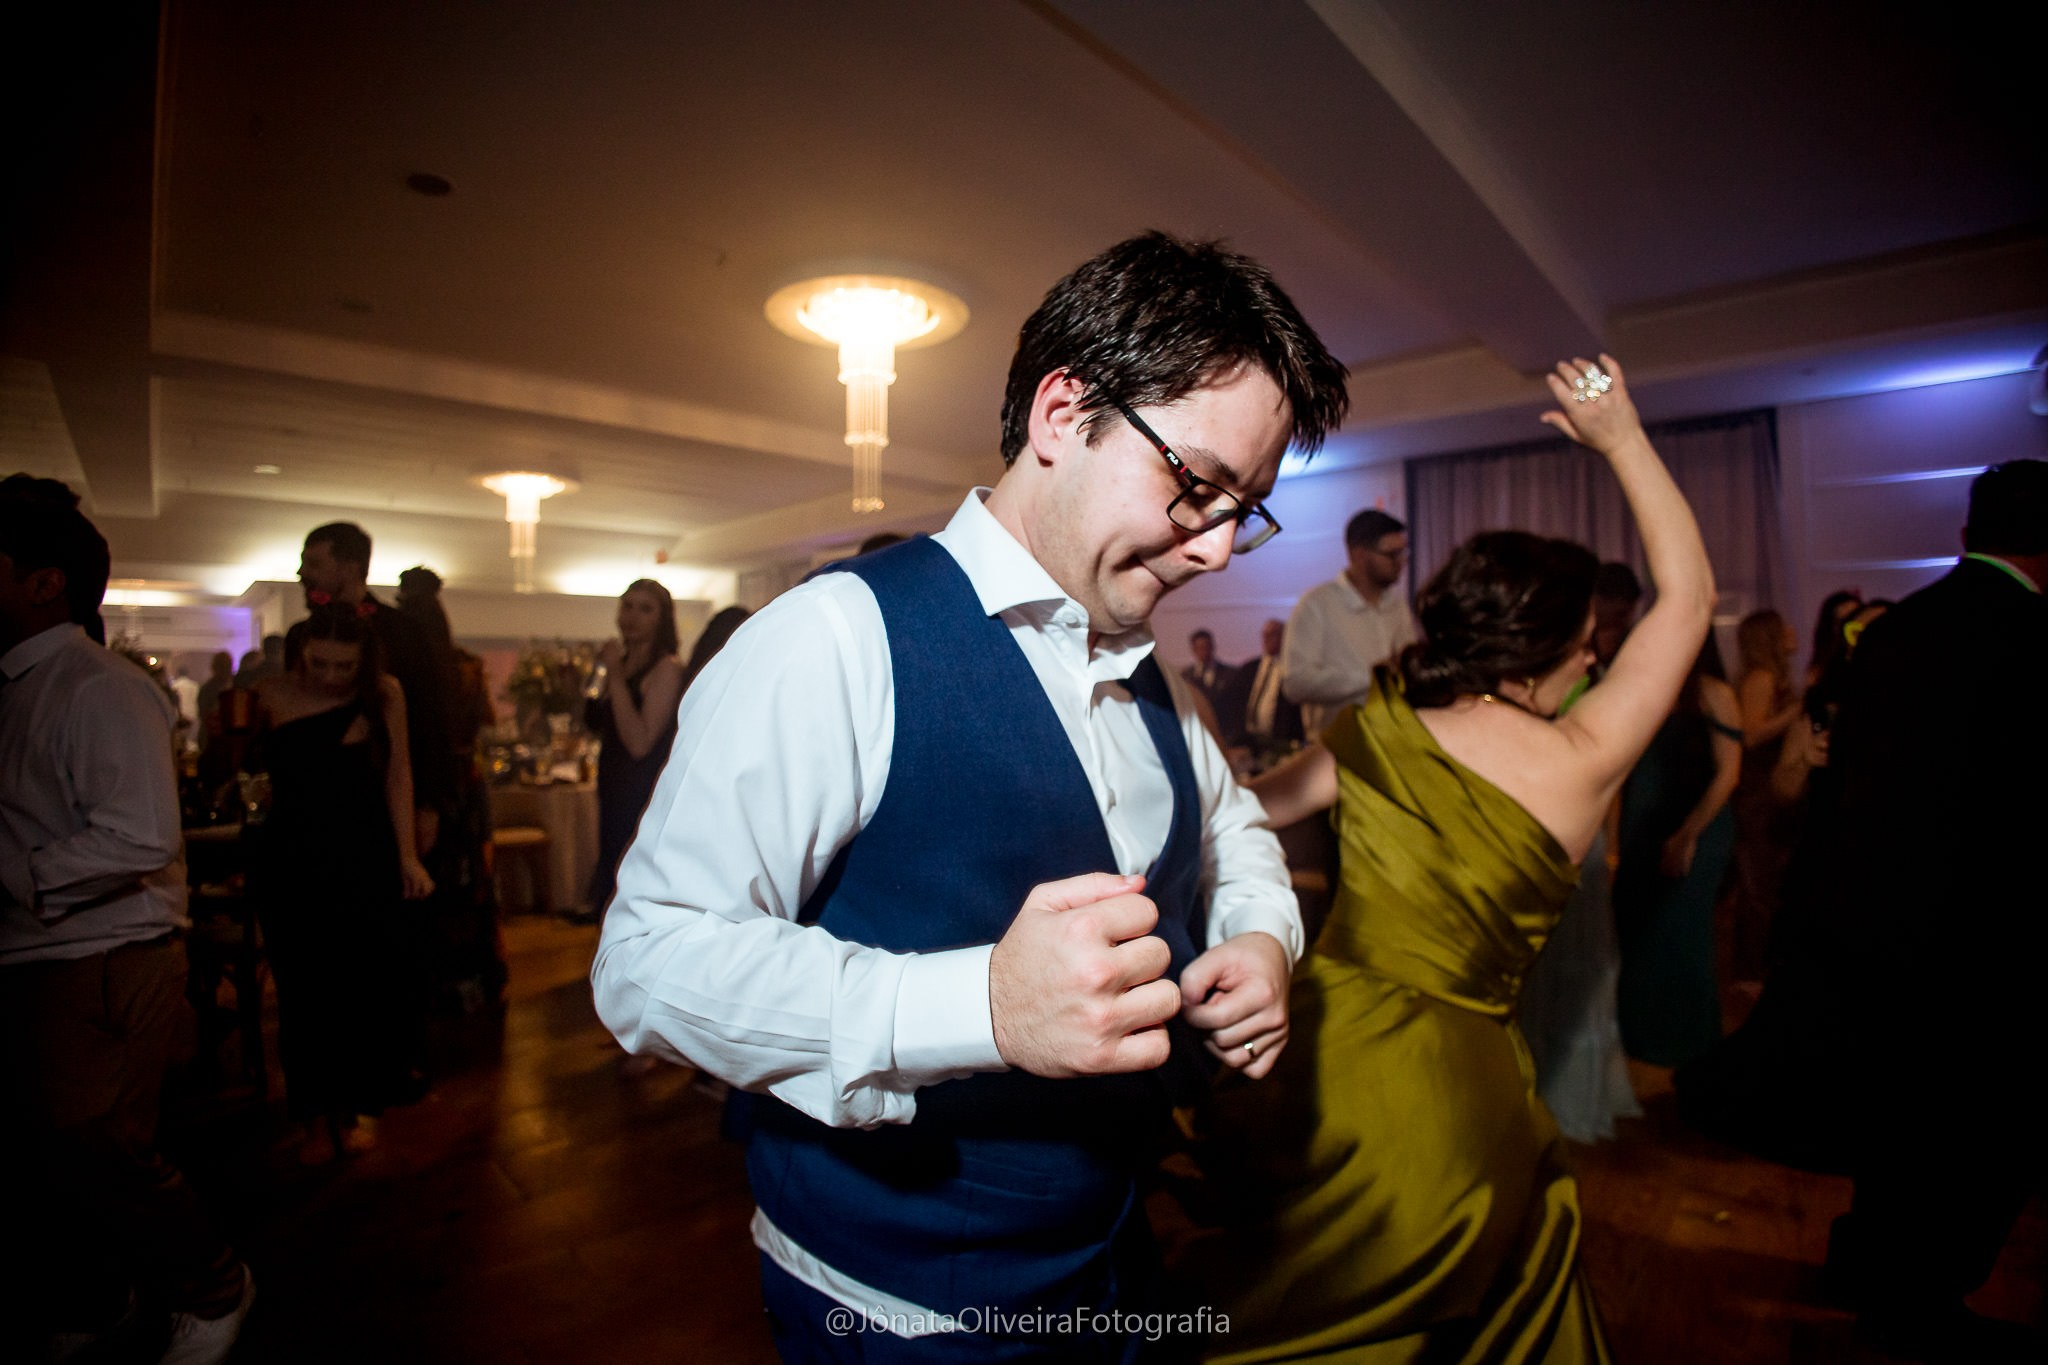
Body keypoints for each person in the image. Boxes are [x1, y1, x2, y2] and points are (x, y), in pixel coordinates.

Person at [593, 230, 1347, 1360]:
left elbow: (1232, 822)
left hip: (1115, 1255)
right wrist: (979, 1007)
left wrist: (1258, 934)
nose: (1219, 550)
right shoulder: (832, 638)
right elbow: (646, 962)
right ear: (1062, 414)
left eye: (1248, 509)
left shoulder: (1156, 674)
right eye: (1198, 487)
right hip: (902, 1305)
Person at [1192, 354, 1712, 1363]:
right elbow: (1686, 599)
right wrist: (1621, 439)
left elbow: (1243, 814)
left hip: (1317, 1049)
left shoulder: (1378, 725)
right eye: (1585, 640)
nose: (1595, 656)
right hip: (1453, 1085)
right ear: (1541, 647)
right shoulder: (1582, 759)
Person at [0, 474, 254, 1363]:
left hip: (102, 949)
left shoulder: (97, 686)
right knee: (48, 1155)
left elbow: (143, 834)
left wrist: (19, 875)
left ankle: (213, 1285)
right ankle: (99, 1294)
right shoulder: (26, 687)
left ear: (44, 583)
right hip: (44, 949)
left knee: (101, 1149)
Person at [1819, 460, 2048, 1358]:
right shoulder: (2033, 635)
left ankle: (1866, 1269)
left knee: (1898, 1115)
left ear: (1964, 536)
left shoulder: (1893, 631)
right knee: (1980, 1131)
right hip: (1995, 934)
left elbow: (1846, 783)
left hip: (1882, 922)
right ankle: (1921, 1305)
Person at [247, 603, 434, 1163]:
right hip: (291, 856)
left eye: (344, 666)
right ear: (301, 653)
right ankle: (311, 1119)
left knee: (360, 982)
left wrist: (407, 855)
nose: (331, 676)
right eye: (319, 663)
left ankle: (354, 1109)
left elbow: (399, 772)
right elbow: (246, 773)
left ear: (364, 661)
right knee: (301, 990)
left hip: (362, 850)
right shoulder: (268, 695)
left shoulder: (385, 693)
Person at [1612, 634, 1741, 1068]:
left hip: (1698, 823)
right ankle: (1642, 1038)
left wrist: (1688, 834)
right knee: (1639, 931)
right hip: (1645, 825)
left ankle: (1687, 1043)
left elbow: (1729, 773)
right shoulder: (1645, 687)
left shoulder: (1712, 692)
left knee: (1682, 932)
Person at [396, 565, 505, 1011]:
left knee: (439, 882)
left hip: (432, 784)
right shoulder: (465, 668)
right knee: (465, 882)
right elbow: (485, 721)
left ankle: (435, 982)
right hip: (461, 783)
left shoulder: (410, 671)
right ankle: (468, 981)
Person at [583, 580, 688, 924]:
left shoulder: (666, 669)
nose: (632, 616)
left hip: (639, 791)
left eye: (645, 609)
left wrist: (614, 675)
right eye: (628, 606)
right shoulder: (618, 663)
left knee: (628, 882)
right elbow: (592, 719)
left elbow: (640, 742)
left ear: (662, 619)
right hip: (611, 785)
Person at [1282, 506, 1416, 733]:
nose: (1400, 562)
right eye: (1392, 554)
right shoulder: (1317, 604)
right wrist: (1374, 678)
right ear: (1359, 555)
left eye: (1403, 553)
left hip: (1395, 735)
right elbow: (1296, 683)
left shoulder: (1397, 604)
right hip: (1338, 745)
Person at [1220, 617, 1302, 763]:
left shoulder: (1293, 668)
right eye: (1266, 635)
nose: (1269, 639)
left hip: (1281, 743)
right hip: (1250, 743)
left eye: (1274, 634)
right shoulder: (1250, 668)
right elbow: (1233, 702)